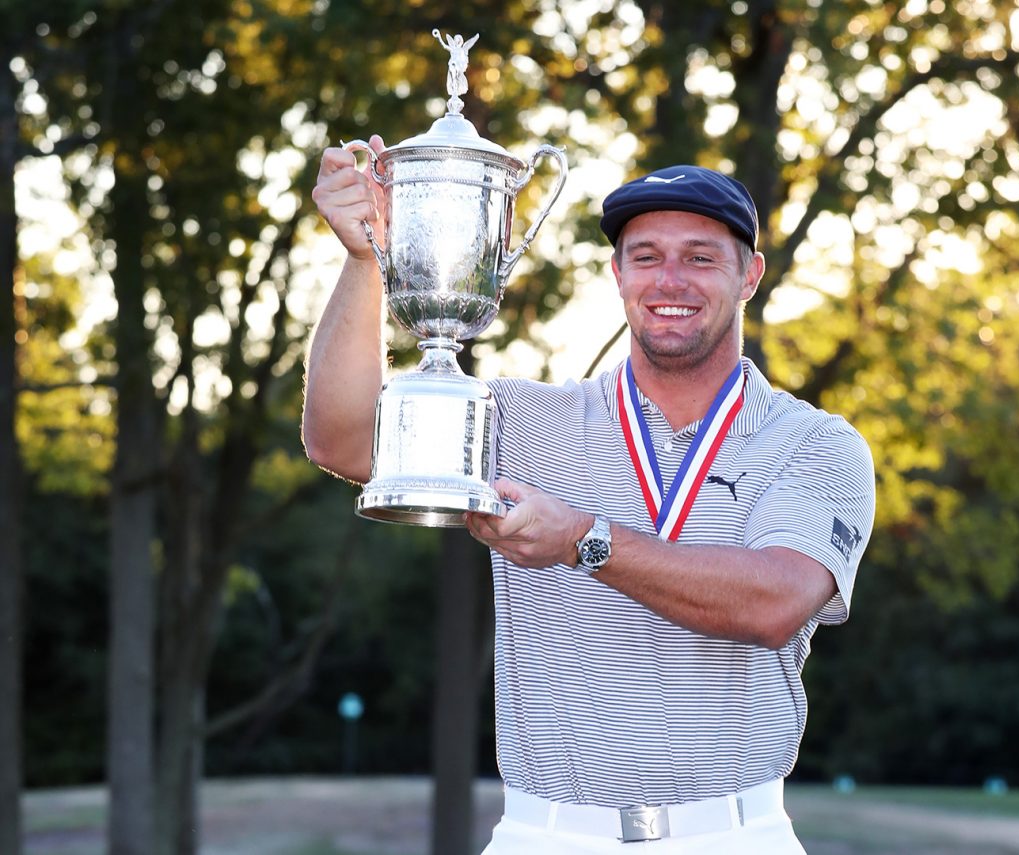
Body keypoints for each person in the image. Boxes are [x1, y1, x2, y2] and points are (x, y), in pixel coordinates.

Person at [304, 136, 876, 853]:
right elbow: (343, 440)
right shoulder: (521, 419)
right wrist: (365, 263)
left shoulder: (814, 443)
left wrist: (585, 539)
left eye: (701, 257)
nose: (671, 279)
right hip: (547, 833)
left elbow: (774, 603)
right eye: (646, 257)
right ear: (617, 273)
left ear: (750, 274)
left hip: (734, 832)